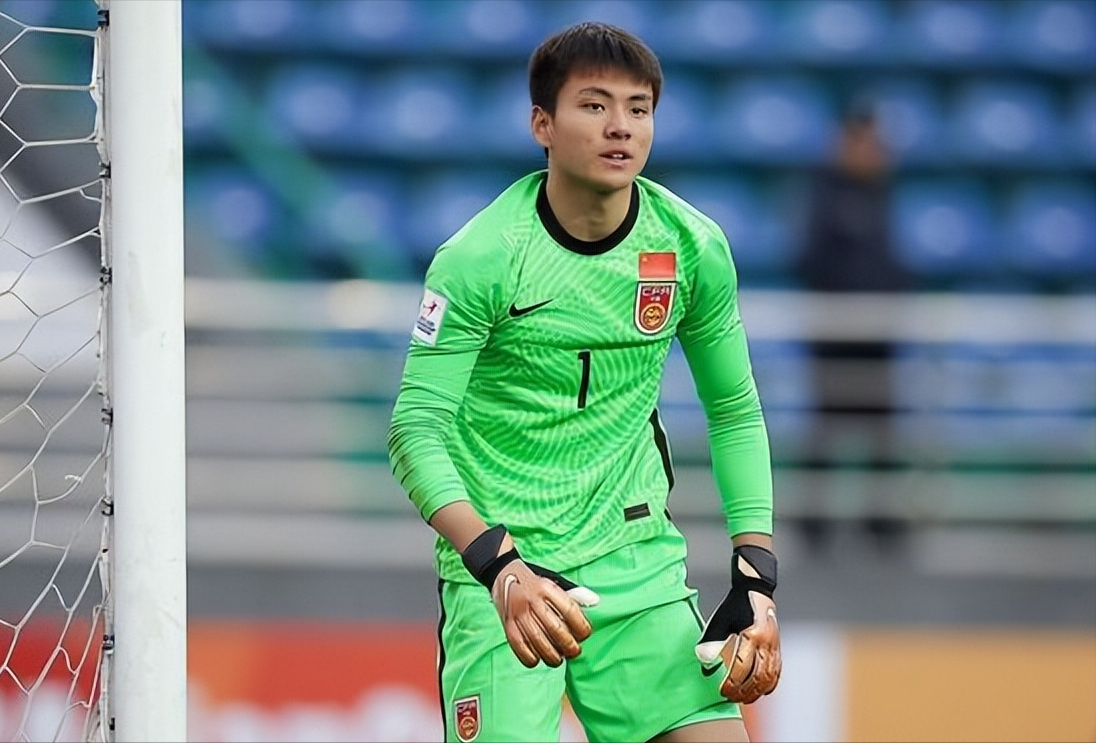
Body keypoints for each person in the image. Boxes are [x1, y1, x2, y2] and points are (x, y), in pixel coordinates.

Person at [387, 22, 780, 743]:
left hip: (635, 559)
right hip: (510, 576)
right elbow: (414, 431)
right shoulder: (481, 257)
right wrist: (496, 565)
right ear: (542, 123)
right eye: (594, 105)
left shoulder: (690, 247)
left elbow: (733, 409)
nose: (619, 126)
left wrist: (756, 576)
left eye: (638, 108)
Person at [795, 103, 913, 554]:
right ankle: (816, 525)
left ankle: (883, 522)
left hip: (878, 336)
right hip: (834, 335)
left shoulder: (881, 194)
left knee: (882, 432)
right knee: (826, 430)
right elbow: (810, 261)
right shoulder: (823, 195)